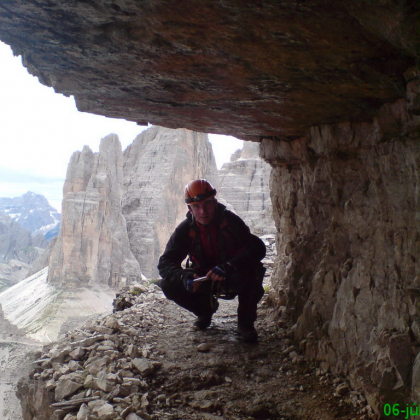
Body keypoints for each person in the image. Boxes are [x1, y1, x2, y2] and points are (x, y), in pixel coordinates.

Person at [157, 179, 266, 343]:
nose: (203, 211)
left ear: (215, 202)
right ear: (190, 209)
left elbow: (257, 249)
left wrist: (230, 266)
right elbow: (165, 263)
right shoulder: (186, 229)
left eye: (207, 204)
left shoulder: (230, 222)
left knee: (254, 272)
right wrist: (183, 277)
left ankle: (245, 323)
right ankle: (205, 311)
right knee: (168, 285)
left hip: (233, 274)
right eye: (196, 206)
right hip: (204, 277)